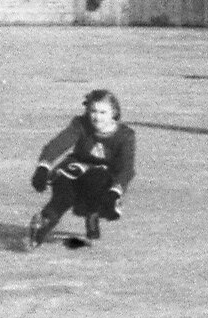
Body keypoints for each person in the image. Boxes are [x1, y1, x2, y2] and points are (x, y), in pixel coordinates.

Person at [27, 88, 136, 248]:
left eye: (102, 112)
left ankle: (92, 214)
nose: (96, 117)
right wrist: (43, 167)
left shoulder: (125, 136)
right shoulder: (81, 125)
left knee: (99, 185)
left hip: (103, 178)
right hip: (76, 168)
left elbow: (126, 168)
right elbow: (58, 144)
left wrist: (115, 192)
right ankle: (42, 225)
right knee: (63, 196)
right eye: (93, 111)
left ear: (114, 113)